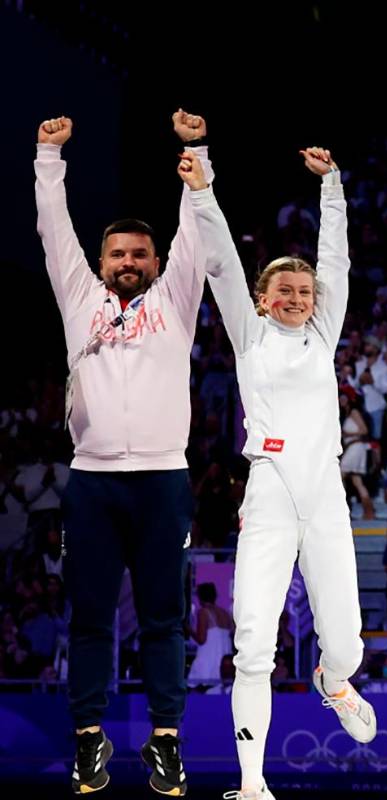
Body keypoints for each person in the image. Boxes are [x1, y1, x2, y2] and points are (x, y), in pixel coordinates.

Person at [180, 145, 375, 800]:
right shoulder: (250, 333)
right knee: (256, 643)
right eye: (283, 291)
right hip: (268, 493)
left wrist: (333, 190)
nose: (296, 297)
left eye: (304, 291)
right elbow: (223, 267)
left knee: (346, 646)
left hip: (324, 498)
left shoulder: (323, 335)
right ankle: (253, 782)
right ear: (262, 302)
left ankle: (335, 681)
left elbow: (337, 261)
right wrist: (204, 182)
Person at [37, 111, 206, 796]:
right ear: (102, 263)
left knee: (165, 618)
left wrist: (196, 153)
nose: (129, 263)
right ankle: (88, 739)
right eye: (118, 255)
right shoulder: (79, 299)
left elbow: (197, 230)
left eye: (140, 254)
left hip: (165, 479)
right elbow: (54, 234)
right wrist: (49, 157)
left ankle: (166, 740)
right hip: (94, 483)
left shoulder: (178, 299)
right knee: (89, 619)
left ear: (157, 263)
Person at [187, 583, 234, 689]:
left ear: (200, 597)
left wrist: (187, 628)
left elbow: (201, 639)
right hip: (224, 661)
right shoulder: (225, 613)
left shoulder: (203, 612)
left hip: (208, 661)